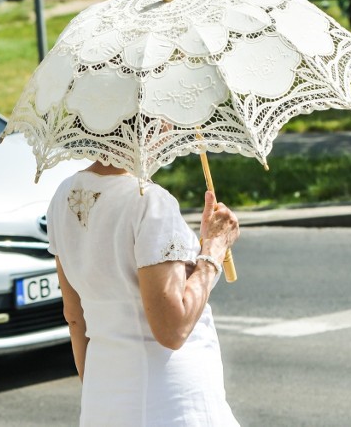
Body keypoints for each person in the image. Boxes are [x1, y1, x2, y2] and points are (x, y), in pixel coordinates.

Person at [47, 159, 241, 426]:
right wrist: (213, 251)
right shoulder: (150, 202)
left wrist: (100, 392)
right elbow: (172, 329)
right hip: (170, 401)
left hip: (103, 398)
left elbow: (74, 316)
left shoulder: (63, 196)